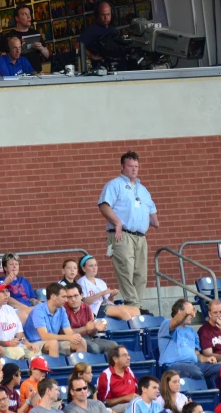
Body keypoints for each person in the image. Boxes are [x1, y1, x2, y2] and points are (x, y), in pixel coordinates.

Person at [98, 151, 159, 312]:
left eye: (136, 166)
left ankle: (137, 305)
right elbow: (104, 205)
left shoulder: (143, 189)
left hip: (140, 237)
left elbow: (151, 209)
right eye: (130, 166)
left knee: (141, 274)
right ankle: (133, 305)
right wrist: (117, 222)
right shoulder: (114, 185)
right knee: (126, 269)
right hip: (121, 234)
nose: (134, 169)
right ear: (123, 167)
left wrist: (154, 221)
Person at [158, 299, 220, 384]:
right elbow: (175, 322)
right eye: (190, 312)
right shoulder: (167, 324)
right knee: (194, 372)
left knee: (220, 369)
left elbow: (197, 354)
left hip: (194, 364)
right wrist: (186, 312)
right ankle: (202, 395)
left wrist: (206, 359)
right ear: (180, 312)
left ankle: (213, 396)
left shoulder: (192, 331)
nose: (193, 315)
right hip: (173, 366)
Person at [24, 282, 87, 357]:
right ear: (53, 296)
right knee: (53, 343)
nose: (66, 300)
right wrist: (69, 337)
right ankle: (55, 368)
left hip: (53, 341)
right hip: (35, 343)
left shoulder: (62, 310)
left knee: (81, 342)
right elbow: (44, 336)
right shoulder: (38, 310)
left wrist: (75, 337)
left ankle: (80, 368)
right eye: (63, 297)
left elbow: (69, 332)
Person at [77, 255, 140, 320]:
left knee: (135, 310)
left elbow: (109, 301)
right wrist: (101, 293)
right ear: (84, 269)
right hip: (95, 309)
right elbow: (85, 301)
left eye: (95, 265)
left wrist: (111, 296)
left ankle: (139, 329)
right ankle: (134, 329)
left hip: (106, 306)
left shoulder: (101, 282)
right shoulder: (81, 282)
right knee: (122, 312)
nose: (94, 268)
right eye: (91, 266)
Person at [63, 282, 116, 355]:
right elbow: (65, 332)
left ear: (81, 295)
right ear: (66, 298)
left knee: (113, 346)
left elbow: (90, 334)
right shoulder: (63, 310)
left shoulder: (86, 307)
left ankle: (107, 365)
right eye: (69, 297)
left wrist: (96, 328)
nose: (73, 299)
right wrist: (85, 328)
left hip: (88, 338)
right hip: (73, 340)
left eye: (76, 296)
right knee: (94, 348)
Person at [0, 283, 33, 356]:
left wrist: (27, 343)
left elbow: (19, 333)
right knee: (19, 353)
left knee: (35, 352)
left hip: (15, 345)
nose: (6, 294)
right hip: (1, 347)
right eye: (2, 292)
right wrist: (8, 343)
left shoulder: (10, 309)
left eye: (7, 291)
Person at [5, 4, 50, 73]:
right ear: (17, 18)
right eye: (24, 14)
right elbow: (4, 59)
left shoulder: (36, 33)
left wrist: (41, 48)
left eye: (29, 14)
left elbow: (47, 55)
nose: (29, 17)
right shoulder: (9, 36)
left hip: (37, 75)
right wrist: (17, 46)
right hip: (19, 76)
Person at [97, 345, 138, 413]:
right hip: (114, 408)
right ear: (115, 359)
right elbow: (104, 403)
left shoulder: (129, 371)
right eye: (125, 355)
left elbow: (137, 390)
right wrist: (125, 398)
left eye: (128, 355)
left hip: (133, 403)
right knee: (133, 407)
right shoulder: (106, 375)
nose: (129, 358)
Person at [2, 253, 39, 320]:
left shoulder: (24, 280)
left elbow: (31, 298)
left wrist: (39, 303)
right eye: (11, 264)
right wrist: (27, 309)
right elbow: (7, 299)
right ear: (5, 268)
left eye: (16, 264)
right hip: (14, 311)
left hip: (29, 309)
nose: (14, 266)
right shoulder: (2, 281)